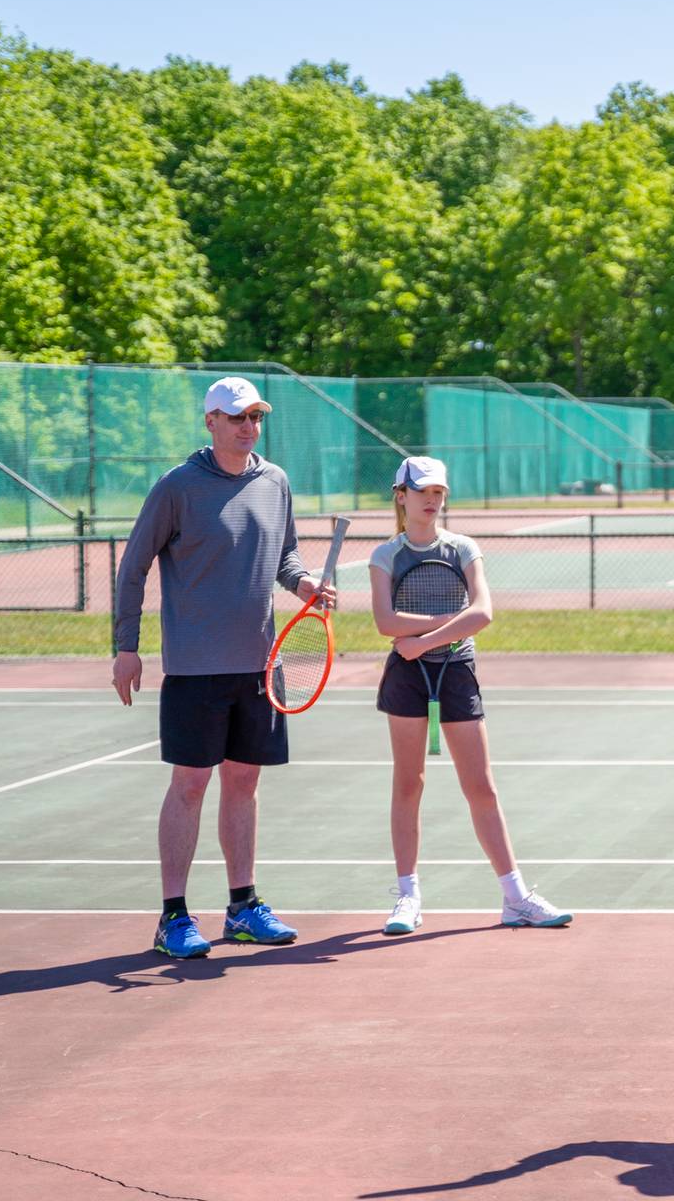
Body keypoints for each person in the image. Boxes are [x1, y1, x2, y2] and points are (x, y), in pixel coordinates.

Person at [112, 377, 334, 959]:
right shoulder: (177, 487)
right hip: (195, 669)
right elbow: (133, 567)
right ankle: (173, 917)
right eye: (237, 417)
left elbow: (285, 555)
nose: (248, 427)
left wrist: (304, 583)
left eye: (255, 416)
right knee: (190, 784)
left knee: (244, 782)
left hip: (260, 666)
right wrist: (127, 646)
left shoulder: (274, 481)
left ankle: (242, 907)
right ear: (210, 421)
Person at [371, 455, 570, 934]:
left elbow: (482, 613)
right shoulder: (385, 556)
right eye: (422, 491)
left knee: (481, 786)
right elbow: (385, 622)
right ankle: (407, 898)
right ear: (401, 496)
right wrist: (446, 625)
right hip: (407, 679)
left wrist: (422, 641)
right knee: (409, 784)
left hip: (455, 672)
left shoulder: (463, 548)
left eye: (438, 491)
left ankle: (516, 898)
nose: (432, 500)